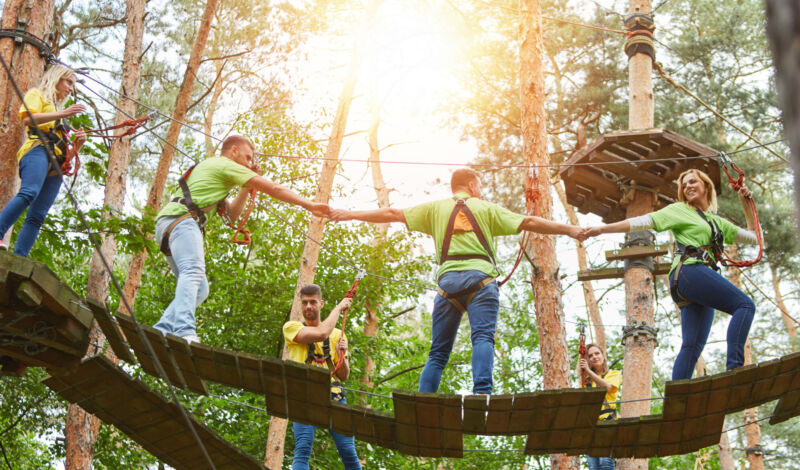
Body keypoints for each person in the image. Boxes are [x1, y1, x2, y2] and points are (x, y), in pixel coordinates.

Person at [331, 168, 585, 394]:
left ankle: (423, 400)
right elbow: (529, 221)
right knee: (483, 337)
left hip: (447, 285)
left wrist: (349, 214)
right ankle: (482, 394)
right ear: (473, 186)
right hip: (482, 282)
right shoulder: (486, 208)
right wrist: (571, 230)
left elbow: (392, 212)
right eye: (480, 187)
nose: (482, 191)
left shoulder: (434, 208)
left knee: (438, 352)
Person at [583, 169, 758, 380]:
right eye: (684, 185)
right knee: (745, 305)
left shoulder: (716, 222)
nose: (688, 187)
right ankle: (735, 368)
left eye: (693, 182)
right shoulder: (680, 210)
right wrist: (603, 230)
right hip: (690, 272)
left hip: (692, 282)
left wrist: (747, 203)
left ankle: (678, 398)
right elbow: (644, 221)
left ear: (706, 186)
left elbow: (754, 237)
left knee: (692, 346)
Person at [154, 135, 330, 342]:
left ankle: (162, 329)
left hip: (170, 224)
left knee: (200, 289)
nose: (249, 163)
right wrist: (308, 205)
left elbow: (232, 215)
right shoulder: (225, 164)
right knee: (192, 271)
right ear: (234, 151)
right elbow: (274, 188)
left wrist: (245, 187)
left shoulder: (215, 171)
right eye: (247, 158)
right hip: (181, 221)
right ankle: (184, 330)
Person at [0, 65, 87, 255]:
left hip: (56, 164)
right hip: (37, 149)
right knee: (29, 192)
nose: (71, 88)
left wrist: (77, 145)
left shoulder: (60, 114)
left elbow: (66, 156)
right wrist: (63, 114)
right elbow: (28, 119)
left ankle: (20, 256)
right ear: (57, 78)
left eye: (73, 84)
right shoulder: (37, 94)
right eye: (68, 82)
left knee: (37, 216)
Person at [283, 284, 361, 470]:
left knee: (348, 451)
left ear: (321, 304)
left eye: (313, 302)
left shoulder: (337, 335)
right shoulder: (291, 328)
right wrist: (339, 307)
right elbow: (320, 333)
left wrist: (341, 355)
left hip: (333, 395)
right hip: (304, 397)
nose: (308, 306)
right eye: (304, 303)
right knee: (302, 449)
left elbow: (343, 376)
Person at [577, 343, 620, 470]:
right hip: (590, 425)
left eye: (597, 353)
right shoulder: (586, 383)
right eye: (590, 356)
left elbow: (608, 387)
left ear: (603, 356)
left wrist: (588, 371)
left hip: (608, 421)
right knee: (593, 466)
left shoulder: (613, 374)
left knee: (605, 462)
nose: (594, 357)